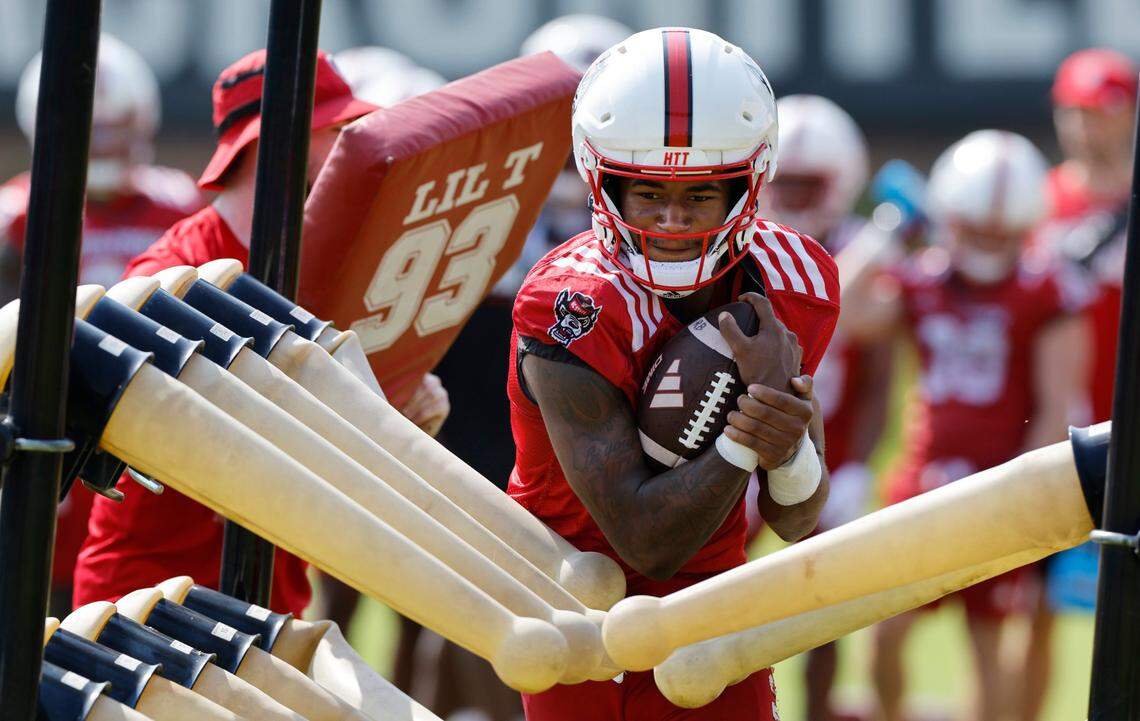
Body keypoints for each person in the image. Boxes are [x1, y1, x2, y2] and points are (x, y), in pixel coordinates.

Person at [509, 27, 840, 720]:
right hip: (574, 594)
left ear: (748, 184)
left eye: (699, 197)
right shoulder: (570, 305)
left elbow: (796, 516)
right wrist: (750, 429)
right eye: (648, 195)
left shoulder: (794, 282)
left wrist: (787, 444)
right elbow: (643, 542)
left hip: (709, 593)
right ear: (603, 182)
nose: (671, 222)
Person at [73, 48, 448, 616]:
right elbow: (202, 452)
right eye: (334, 128)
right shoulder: (170, 274)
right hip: (151, 604)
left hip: (273, 600)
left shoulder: (326, 266)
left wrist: (397, 413)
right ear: (275, 145)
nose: (350, 144)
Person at [841, 130, 1092, 721]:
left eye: (1000, 233)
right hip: (923, 483)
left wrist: (1027, 494)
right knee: (884, 633)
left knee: (987, 644)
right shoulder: (926, 278)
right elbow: (842, 313)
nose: (986, 244)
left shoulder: (1046, 290)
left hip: (999, 488)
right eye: (976, 228)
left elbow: (1056, 405)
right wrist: (884, 233)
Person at [0, 34, 204, 617]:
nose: (107, 146)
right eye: (96, 133)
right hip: (53, 414)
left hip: (148, 416)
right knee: (39, 583)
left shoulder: (178, 204)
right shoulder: (17, 215)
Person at [759, 94, 893, 721]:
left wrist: (859, 463)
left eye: (807, 184)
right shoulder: (744, 246)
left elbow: (880, 374)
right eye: (784, 182)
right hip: (741, 436)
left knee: (825, 610)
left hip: (826, 448)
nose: (793, 196)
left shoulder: (871, 253)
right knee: (706, 589)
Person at [1020, 48, 1137, 721]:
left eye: (1105, 112)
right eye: (1078, 112)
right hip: (1057, 428)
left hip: (1130, 421)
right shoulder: (1039, 200)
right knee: (1031, 608)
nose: (1090, 127)